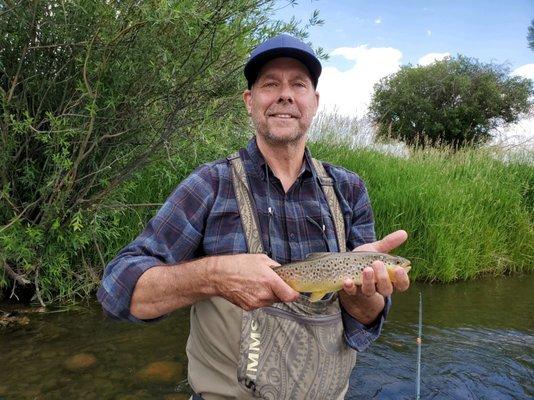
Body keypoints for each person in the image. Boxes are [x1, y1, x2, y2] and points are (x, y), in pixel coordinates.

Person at [97, 34, 410, 400]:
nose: (285, 95)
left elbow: (366, 322)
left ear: (314, 102)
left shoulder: (349, 189)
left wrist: (364, 297)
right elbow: (116, 289)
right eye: (269, 84)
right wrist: (212, 276)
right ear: (250, 101)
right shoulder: (209, 185)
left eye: (298, 84)